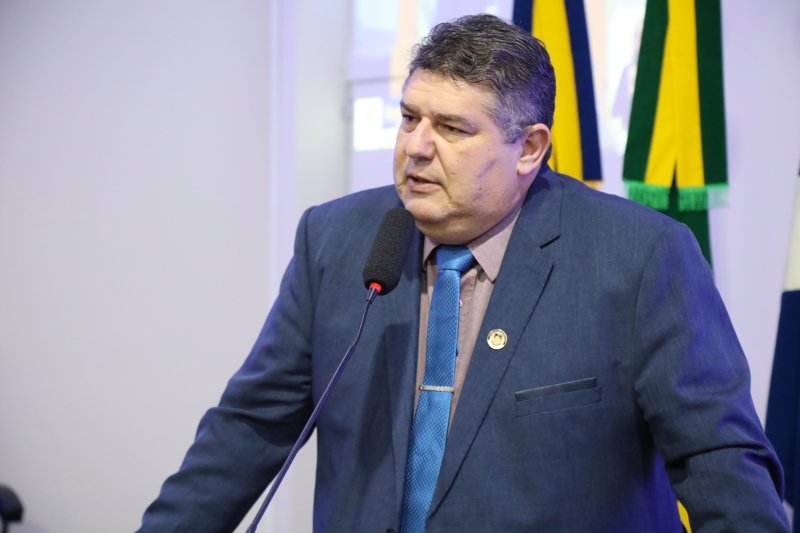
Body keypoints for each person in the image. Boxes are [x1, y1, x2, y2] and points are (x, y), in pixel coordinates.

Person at [139, 14, 789, 532]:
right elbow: (248, 428)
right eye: (409, 117)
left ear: (529, 148)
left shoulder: (639, 256)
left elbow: (718, 459)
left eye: (452, 127)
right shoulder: (335, 240)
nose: (416, 147)